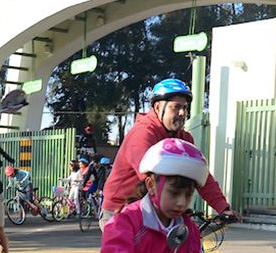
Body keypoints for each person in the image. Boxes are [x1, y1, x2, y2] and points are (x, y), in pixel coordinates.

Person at [100, 79, 238, 229]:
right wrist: (179, 204)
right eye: (176, 107)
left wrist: (223, 208)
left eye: (185, 108)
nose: (182, 113)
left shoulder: (183, 138)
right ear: (158, 107)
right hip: (121, 210)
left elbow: (201, 175)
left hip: (159, 208)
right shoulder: (142, 134)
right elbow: (151, 178)